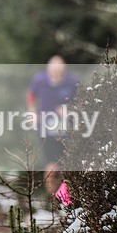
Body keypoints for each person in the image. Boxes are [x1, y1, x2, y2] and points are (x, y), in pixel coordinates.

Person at [26, 55, 80, 194]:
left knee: (66, 167)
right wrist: (32, 112)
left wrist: (69, 110)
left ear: (64, 71)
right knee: (51, 166)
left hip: (67, 131)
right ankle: (52, 201)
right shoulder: (40, 80)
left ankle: (65, 202)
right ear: (48, 70)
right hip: (46, 129)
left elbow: (84, 102)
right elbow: (31, 95)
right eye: (53, 71)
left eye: (59, 72)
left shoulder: (73, 82)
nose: (56, 75)